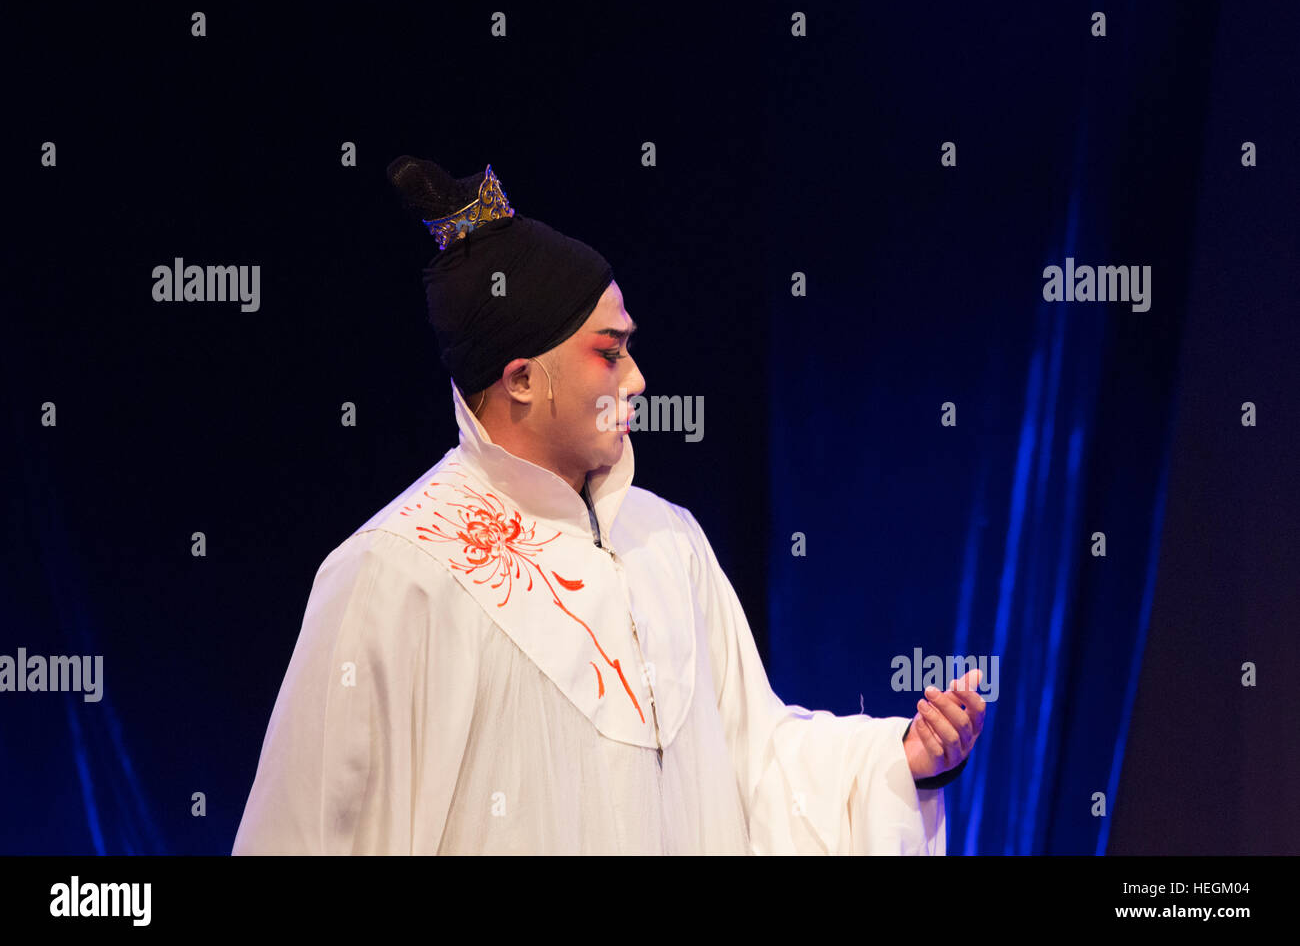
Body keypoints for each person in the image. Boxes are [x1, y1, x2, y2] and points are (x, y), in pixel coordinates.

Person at [231, 156, 983, 855]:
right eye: (609, 350)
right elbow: (314, 828)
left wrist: (899, 762)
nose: (638, 379)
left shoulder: (668, 541)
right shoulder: (399, 572)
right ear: (523, 378)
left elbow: (758, 763)